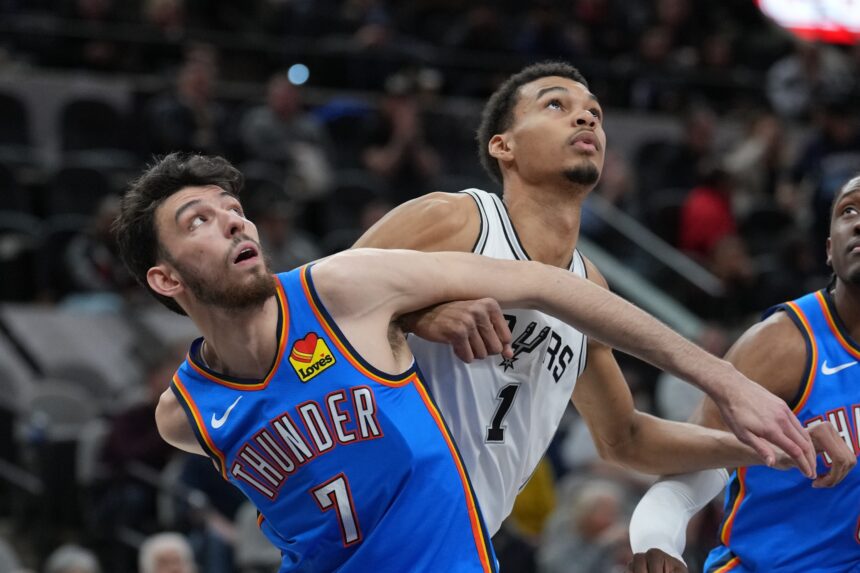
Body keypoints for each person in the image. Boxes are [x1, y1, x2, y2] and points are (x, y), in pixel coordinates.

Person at [113, 152, 816, 572]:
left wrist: (723, 379)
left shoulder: (339, 289)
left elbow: (548, 285)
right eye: (197, 220)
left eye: (232, 207)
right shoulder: (185, 415)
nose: (233, 220)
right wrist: (424, 313)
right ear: (166, 279)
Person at [353, 60, 818, 537]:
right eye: (556, 104)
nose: (586, 118)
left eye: (594, 111)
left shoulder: (589, 288)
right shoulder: (457, 219)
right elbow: (313, 309)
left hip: (464, 539)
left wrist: (770, 448)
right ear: (503, 145)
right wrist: (419, 314)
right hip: (376, 519)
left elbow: (626, 438)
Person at [627, 175, 860, 572]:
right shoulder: (784, 343)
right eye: (848, 210)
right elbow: (700, 459)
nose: (858, 221)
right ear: (828, 250)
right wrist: (658, 538)